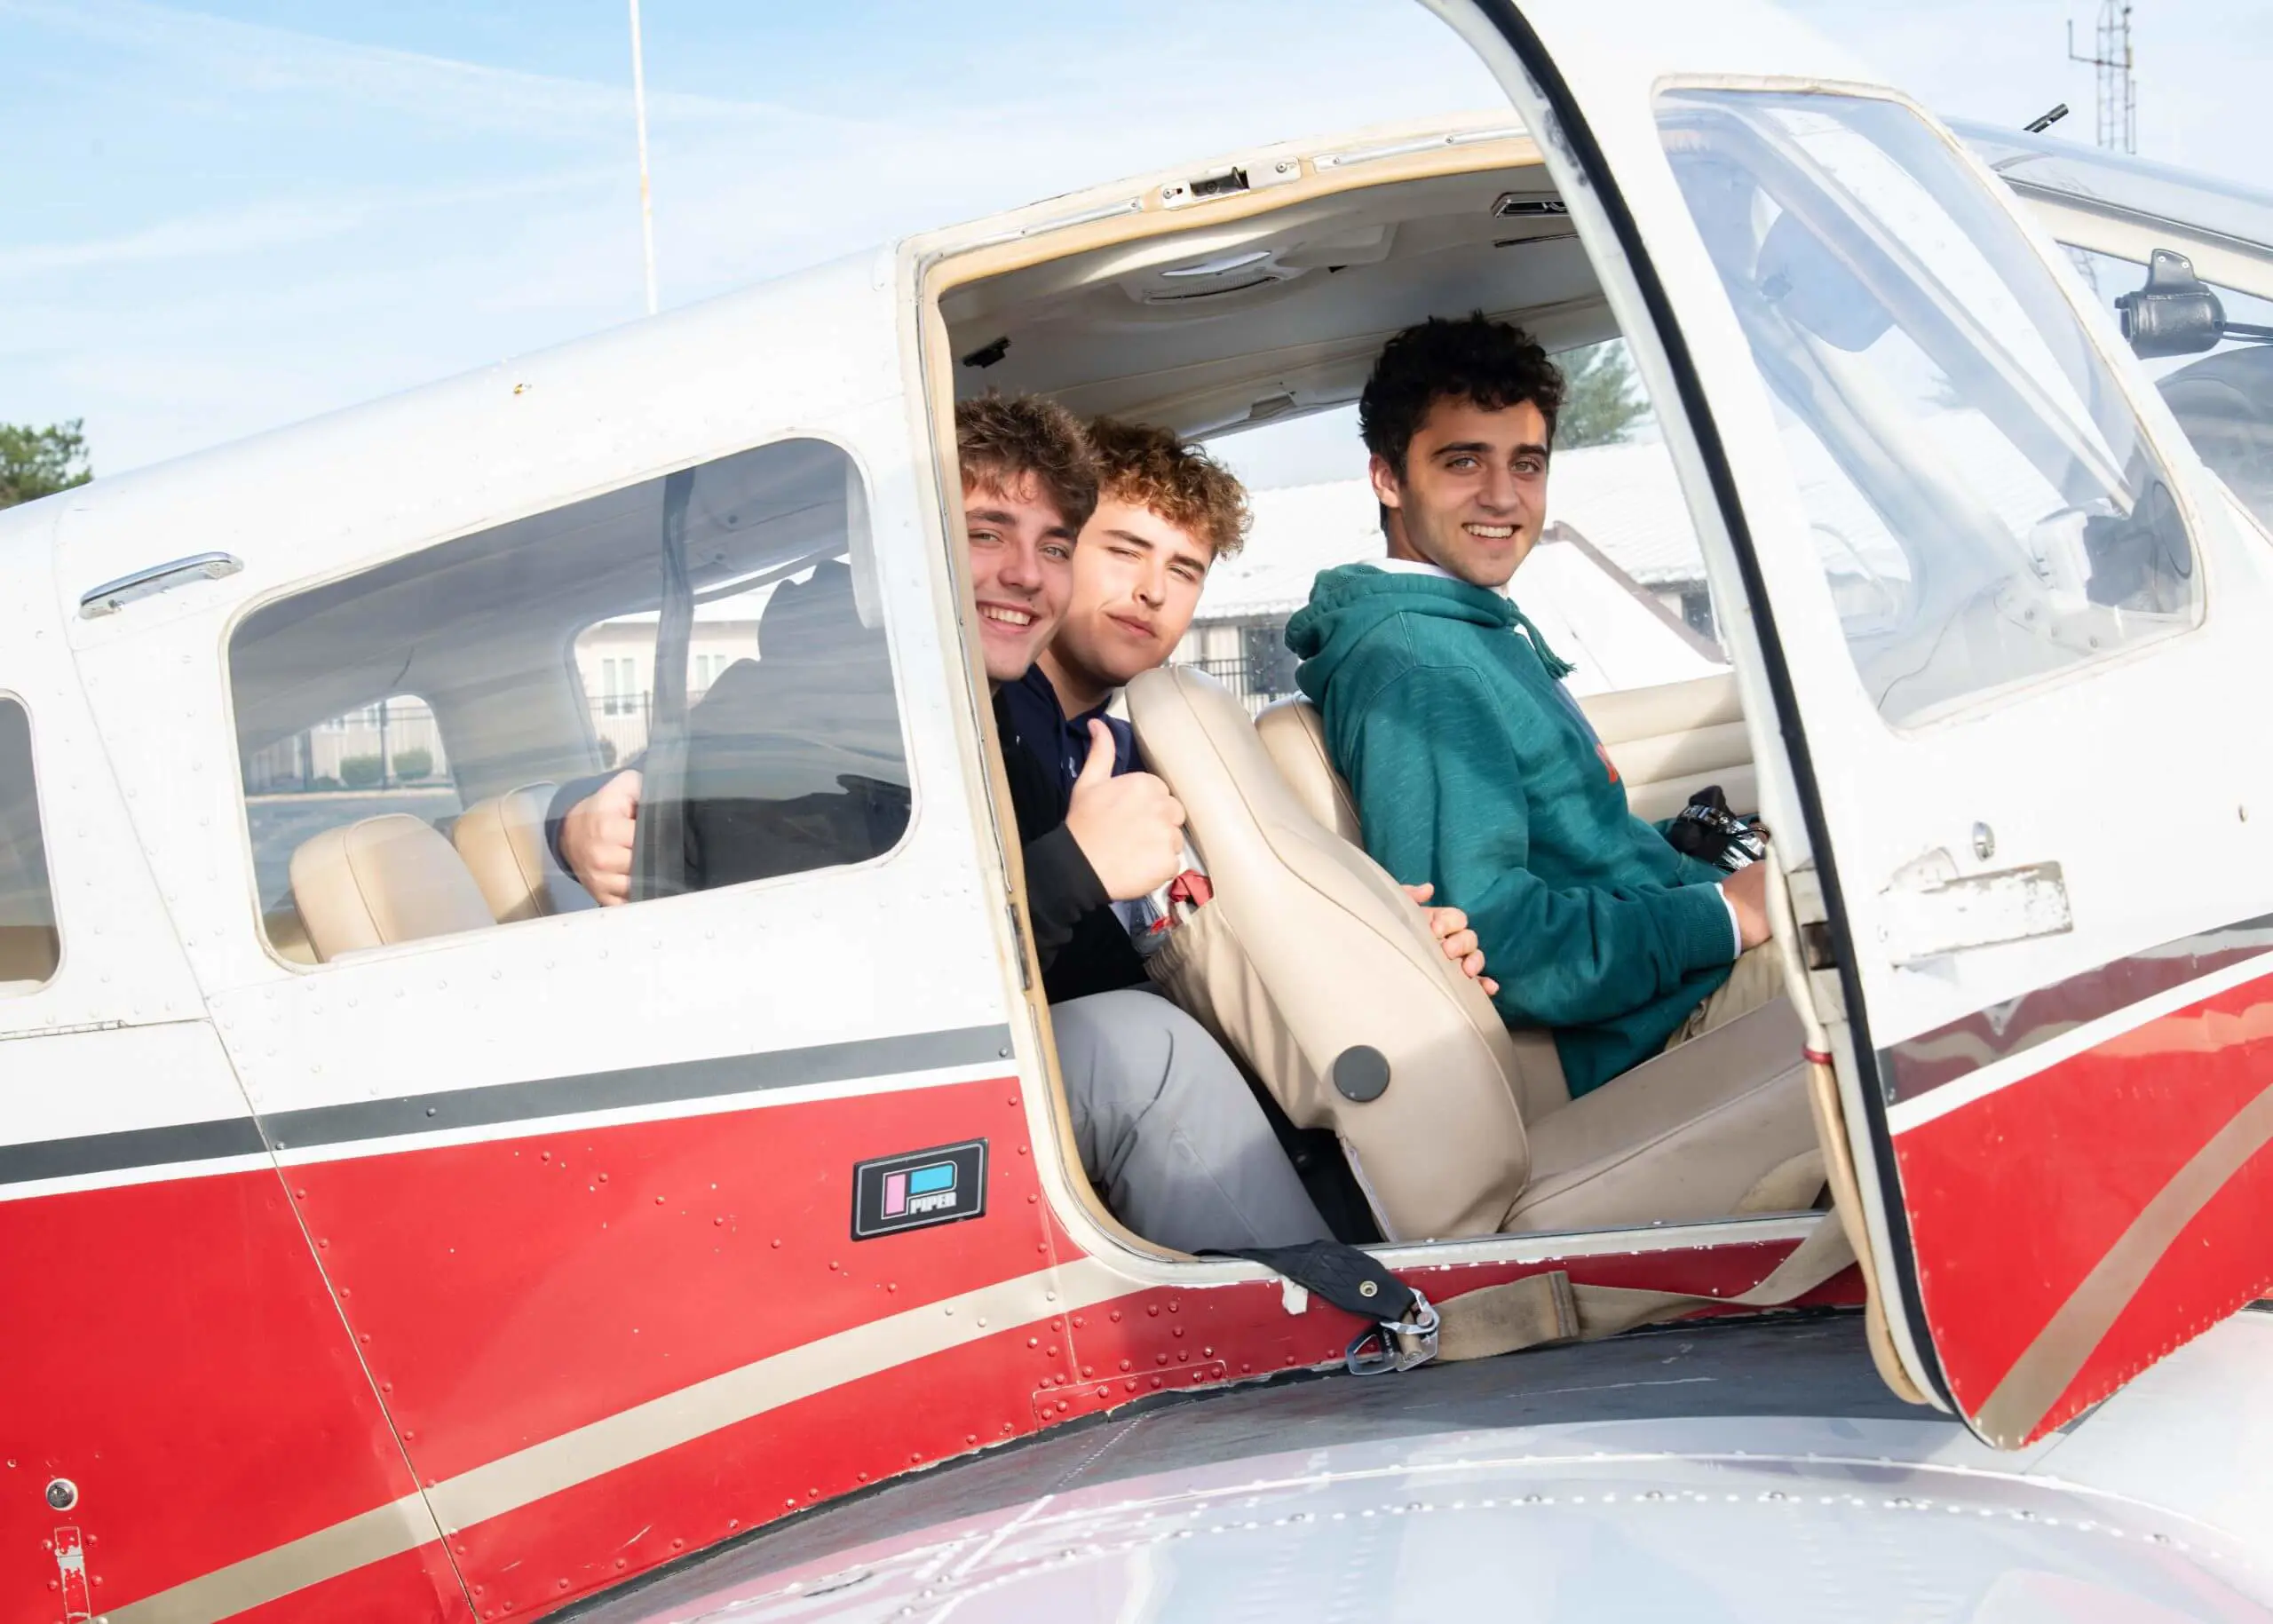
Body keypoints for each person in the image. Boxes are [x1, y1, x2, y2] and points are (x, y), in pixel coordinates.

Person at [551, 396, 1336, 1253]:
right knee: (1140, 1052)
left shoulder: (1000, 717)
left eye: (1054, 546)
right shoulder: (808, 724)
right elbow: (853, 995)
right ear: (899, 548)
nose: (1027, 574)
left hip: (951, 1074)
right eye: (986, 533)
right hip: (820, 1141)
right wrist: (572, 820)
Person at [1286, 315, 1783, 1101]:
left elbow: (1579, 849)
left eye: (1526, 464)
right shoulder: (1418, 666)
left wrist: (1708, 869)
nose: (1502, 496)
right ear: (1387, 478)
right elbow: (1502, 940)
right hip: (1653, 1030)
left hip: (1662, 983)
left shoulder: (1470, 627)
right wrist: (1724, 915)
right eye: (1462, 462)